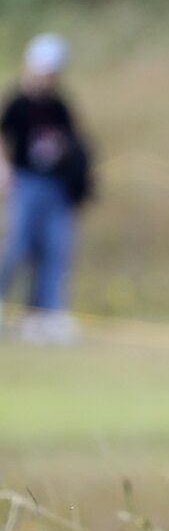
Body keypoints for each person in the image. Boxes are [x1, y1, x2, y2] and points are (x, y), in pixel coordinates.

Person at [0, 33, 93, 343]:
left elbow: (71, 142)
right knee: (17, 246)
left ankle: (43, 314)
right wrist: (5, 169)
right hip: (26, 183)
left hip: (55, 187)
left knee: (55, 249)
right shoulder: (18, 102)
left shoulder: (59, 106)